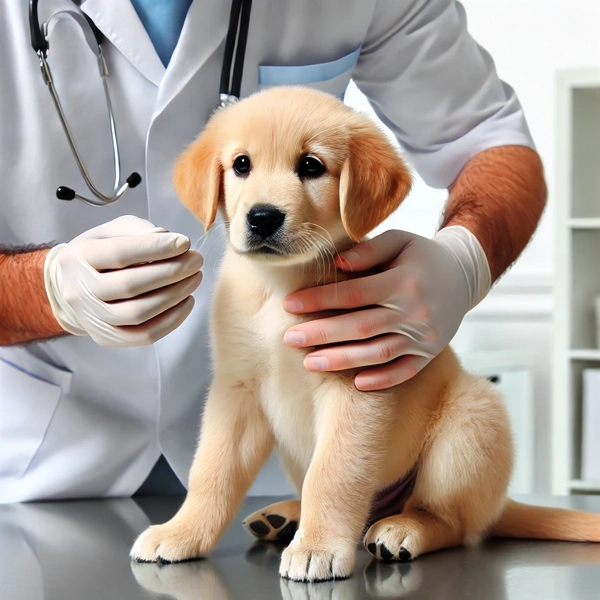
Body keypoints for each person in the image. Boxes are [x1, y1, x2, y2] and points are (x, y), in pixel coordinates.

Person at [0, 0, 547, 503]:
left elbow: (490, 139)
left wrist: (464, 259)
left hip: (291, 467)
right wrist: (45, 291)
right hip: (43, 463)